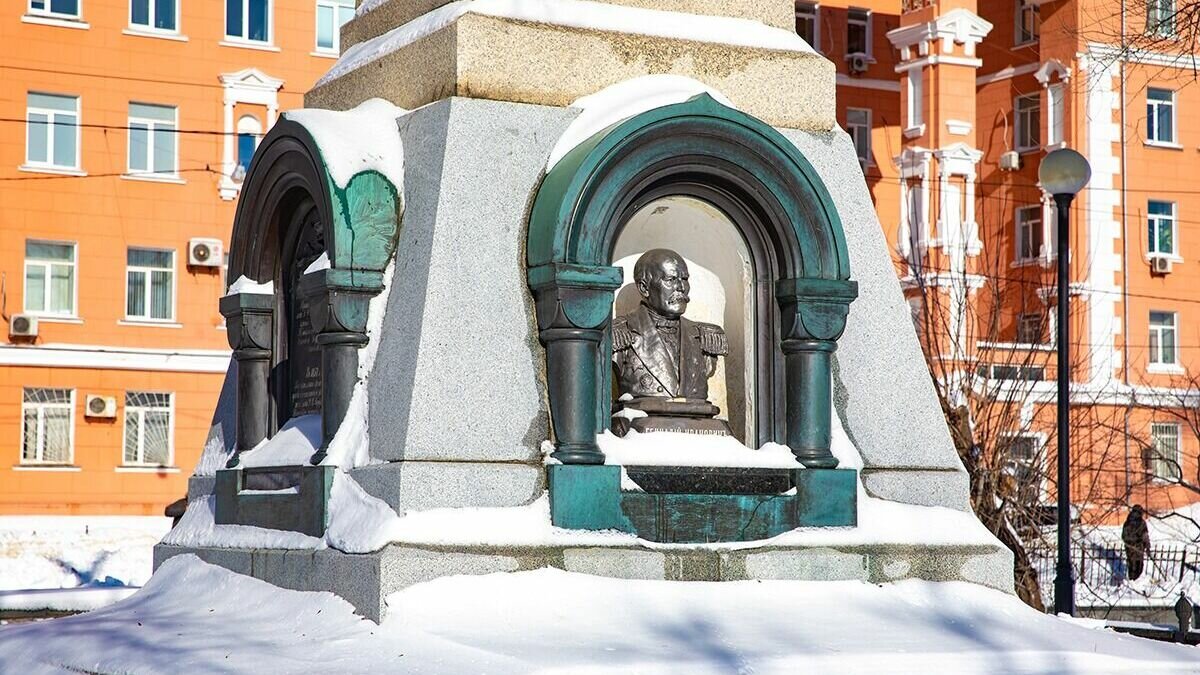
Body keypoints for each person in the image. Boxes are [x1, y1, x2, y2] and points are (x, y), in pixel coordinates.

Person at [612, 249, 727, 401]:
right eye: (670, 280)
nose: (681, 287)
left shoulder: (707, 336)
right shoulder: (619, 334)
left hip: (696, 422)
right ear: (644, 288)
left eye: (684, 279)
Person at [1122, 504, 1151, 581]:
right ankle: (1136, 582)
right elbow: (1145, 536)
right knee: (1138, 566)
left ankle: (1132, 581)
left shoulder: (1127, 522)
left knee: (1131, 565)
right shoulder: (1141, 523)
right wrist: (1147, 547)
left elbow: (1124, 536)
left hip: (1129, 548)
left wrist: (1129, 543)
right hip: (1139, 548)